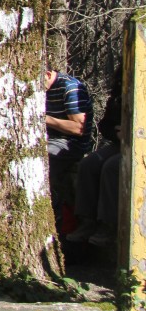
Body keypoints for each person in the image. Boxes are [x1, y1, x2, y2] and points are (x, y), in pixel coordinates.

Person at [68, 67, 123, 247]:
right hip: (122, 143)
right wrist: (117, 132)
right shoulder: (120, 93)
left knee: (113, 167)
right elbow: (106, 124)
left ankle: (109, 226)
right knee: (89, 164)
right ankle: (87, 222)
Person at [44, 67, 93, 223]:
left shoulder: (69, 87)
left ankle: (55, 213)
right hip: (50, 139)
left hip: (71, 143)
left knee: (42, 159)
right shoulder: (40, 89)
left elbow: (79, 128)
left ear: (47, 74)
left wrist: (43, 118)